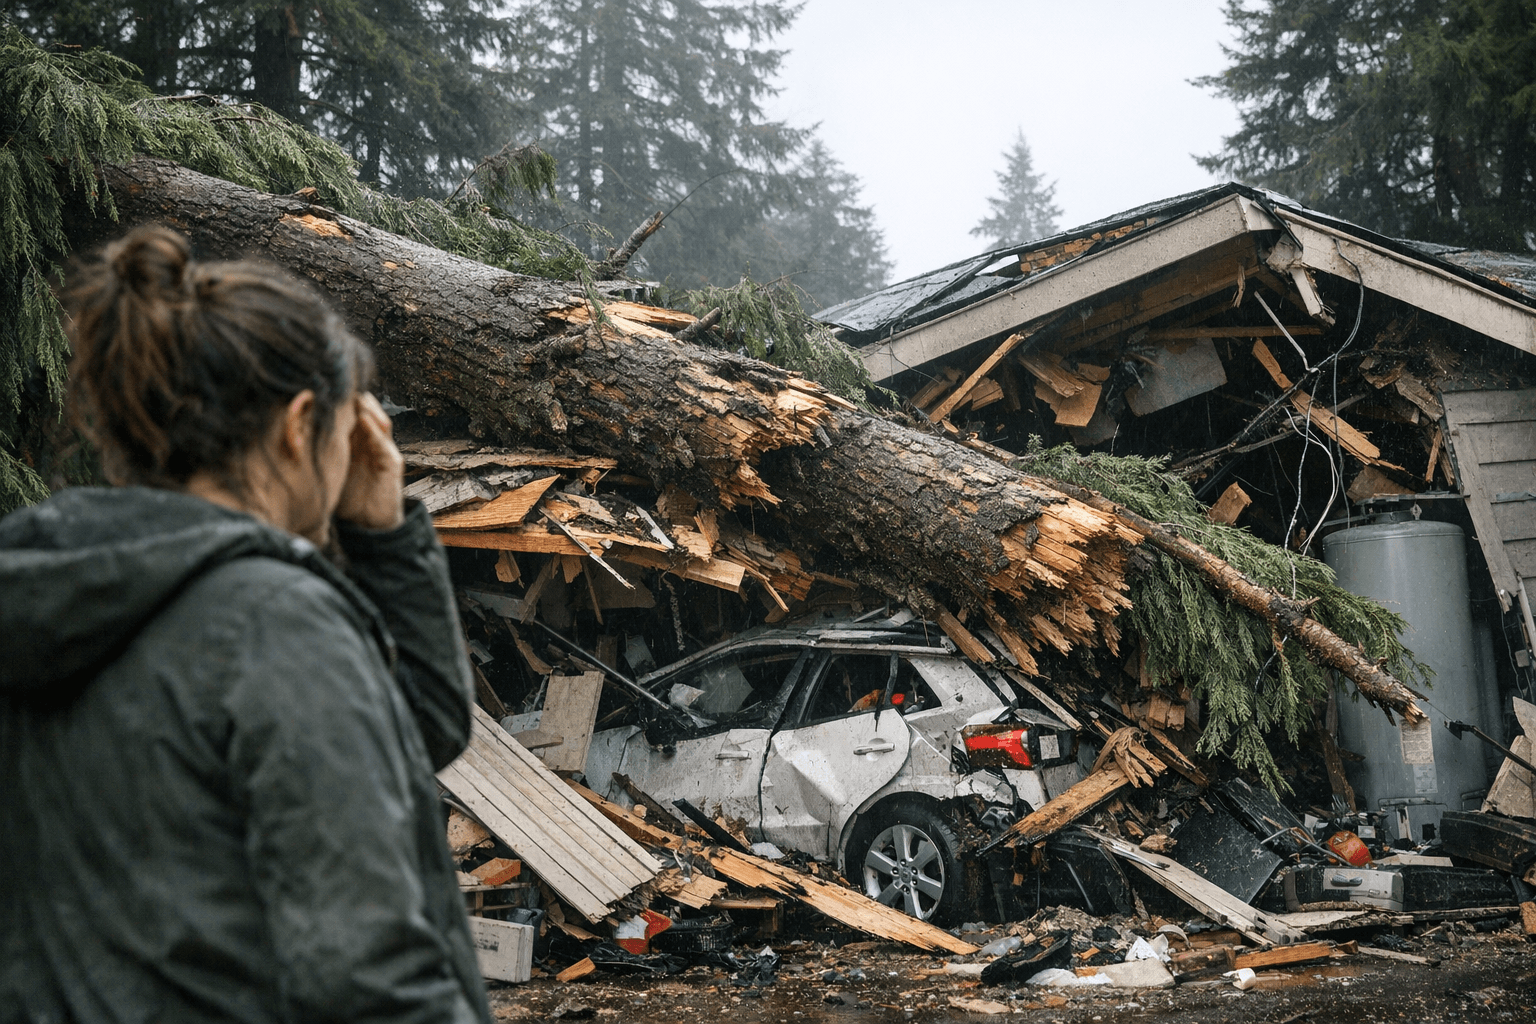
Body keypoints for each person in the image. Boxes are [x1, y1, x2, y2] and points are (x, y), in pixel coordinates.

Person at [0, 225, 492, 1023]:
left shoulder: (45, 589)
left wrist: (385, 537)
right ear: (299, 426)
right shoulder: (275, 623)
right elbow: (371, 982)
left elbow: (411, 737)